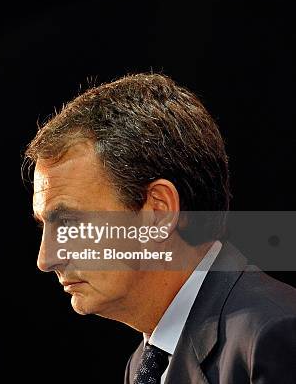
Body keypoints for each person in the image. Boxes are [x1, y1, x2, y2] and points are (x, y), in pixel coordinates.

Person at [24, 73, 296, 383]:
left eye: (70, 222)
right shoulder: (144, 363)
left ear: (158, 210)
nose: (45, 259)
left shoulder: (272, 337)